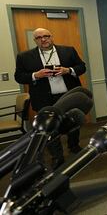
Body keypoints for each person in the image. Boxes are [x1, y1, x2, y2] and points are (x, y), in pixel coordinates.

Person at [14, 28, 87, 168]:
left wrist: (69, 70)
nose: (43, 39)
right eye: (39, 37)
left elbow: (82, 67)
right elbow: (19, 77)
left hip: (68, 96)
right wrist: (36, 75)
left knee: (73, 121)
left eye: (46, 36)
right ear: (35, 40)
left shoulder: (68, 51)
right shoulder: (24, 56)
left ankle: (74, 146)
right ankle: (57, 156)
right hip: (44, 99)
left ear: (51, 37)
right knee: (49, 128)